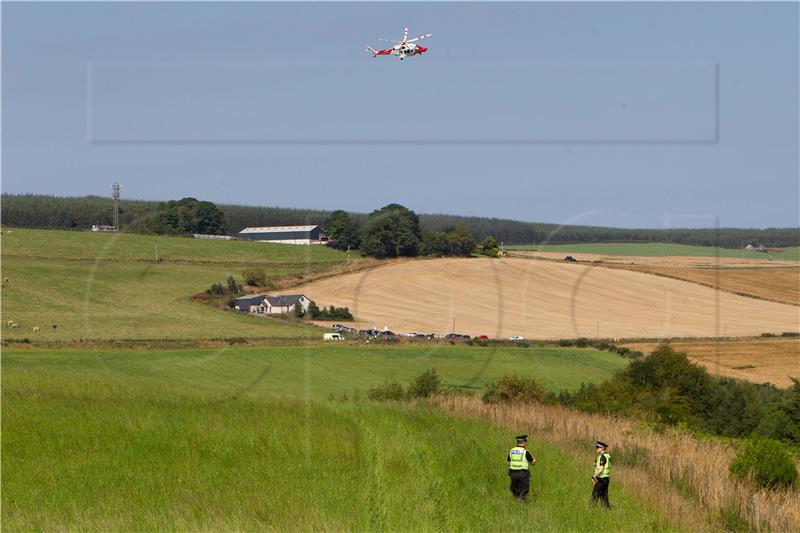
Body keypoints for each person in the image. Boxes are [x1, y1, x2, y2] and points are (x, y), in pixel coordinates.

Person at [507, 434, 536, 501]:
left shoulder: (511, 451)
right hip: (523, 474)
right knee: (523, 491)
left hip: (513, 473)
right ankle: (522, 504)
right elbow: (533, 462)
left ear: (517, 442)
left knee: (515, 490)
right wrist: (533, 458)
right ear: (524, 442)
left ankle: (515, 503)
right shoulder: (525, 452)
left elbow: (508, 461)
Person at [591, 441, 611, 508]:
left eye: (598, 447)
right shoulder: (607, 455)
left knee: (595, 495)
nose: (596, 449)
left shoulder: (602, 457)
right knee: (604, 497)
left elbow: (601, 469)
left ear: (602, 448)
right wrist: (595, 465)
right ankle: (607, 511)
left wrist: (594, 476)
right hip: (606, 479)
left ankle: (591, 509)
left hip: (601, 479)